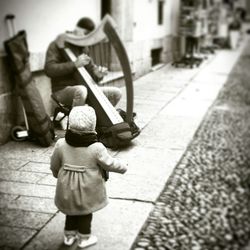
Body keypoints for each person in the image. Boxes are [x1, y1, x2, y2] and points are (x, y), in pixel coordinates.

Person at [50, 105, 127, 248]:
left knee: (70, 211)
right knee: (85, 214)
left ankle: (69, 236)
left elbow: (54, 164)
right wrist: (123, 167)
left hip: (66, 187)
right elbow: (109, 164)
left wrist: (56, 174)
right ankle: (84, 238)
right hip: (88, 190)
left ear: (70, 124)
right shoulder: (96, 148)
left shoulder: (61, 144)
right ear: (93, 125)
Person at [44, 17, 122, 125]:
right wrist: (74, 64)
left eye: (88, 35)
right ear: (77, 29)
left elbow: (91, 72)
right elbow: (49, 69)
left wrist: (98, 74)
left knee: (116, 93)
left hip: (84, 89)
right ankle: (75, 128)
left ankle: (98, 124)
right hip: (61, 90)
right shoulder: (57, 44)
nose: (86, 37)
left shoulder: (83, 48)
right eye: (85, 33)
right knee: (81, 90)